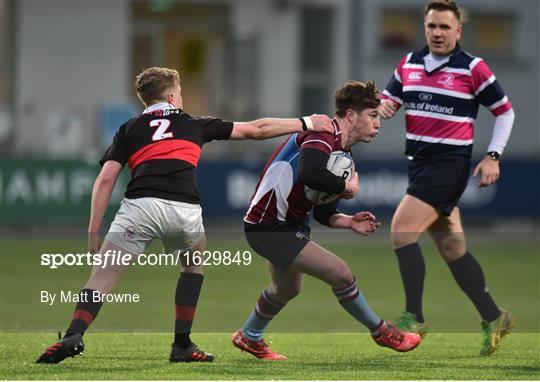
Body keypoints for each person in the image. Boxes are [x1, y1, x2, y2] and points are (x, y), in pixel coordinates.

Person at [36, 67, 335, 364]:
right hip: (185, 211)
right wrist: (306, 122)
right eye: (179, 92)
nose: (181, 98)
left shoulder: (130, 128)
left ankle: (74, 334)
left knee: (101, 278)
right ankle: (182, 345)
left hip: (140, 208)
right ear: (170, 95)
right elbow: (255, 130)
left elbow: (105, 179)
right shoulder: (195, 123)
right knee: (193, 267)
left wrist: (93, 230)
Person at [231, 80, 422, 360]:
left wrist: (348, 221)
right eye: (372, 115)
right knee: (341, 273)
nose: (378, 123)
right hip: (269, 226)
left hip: (288, 226)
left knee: (287, 289)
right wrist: (344, 189)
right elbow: (310, 172)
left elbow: (322, 212)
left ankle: (249, 335)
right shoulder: (323, 133)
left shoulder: (344, 155)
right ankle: (382, 331)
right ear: (351, 115)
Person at [378, 0, 515, 355]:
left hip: (449, 165)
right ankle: (494, 316)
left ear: (458, 31)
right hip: (420, 164)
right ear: (425, 28)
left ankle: (414, 317)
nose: (437, 33)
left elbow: (504, 111)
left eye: (444, 27)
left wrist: (493, 155)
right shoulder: (409, 63)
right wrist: (385, 107)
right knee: (452, 248)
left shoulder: (473, 68)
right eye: (432, 26)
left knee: (401, 230)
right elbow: (386, 101)